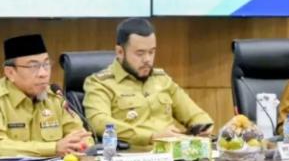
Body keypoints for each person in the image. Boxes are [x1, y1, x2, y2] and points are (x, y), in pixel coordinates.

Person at [83, 17, 213, 151]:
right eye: (140, 53)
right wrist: (152, 136)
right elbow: (99, 123)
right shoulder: (100, 83)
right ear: (120, 52)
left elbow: (195, 114)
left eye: (152, 52)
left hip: (173, 158)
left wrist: (203, 126)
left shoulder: (162, 80)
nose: (147, 59)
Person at [0, 34, 92, 157]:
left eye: (46, 64)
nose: (43, 73)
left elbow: (82, 137)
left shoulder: (55, 97)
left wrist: (81, 146)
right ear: (10, 73)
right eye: (33, 66)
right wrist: (53, 148)